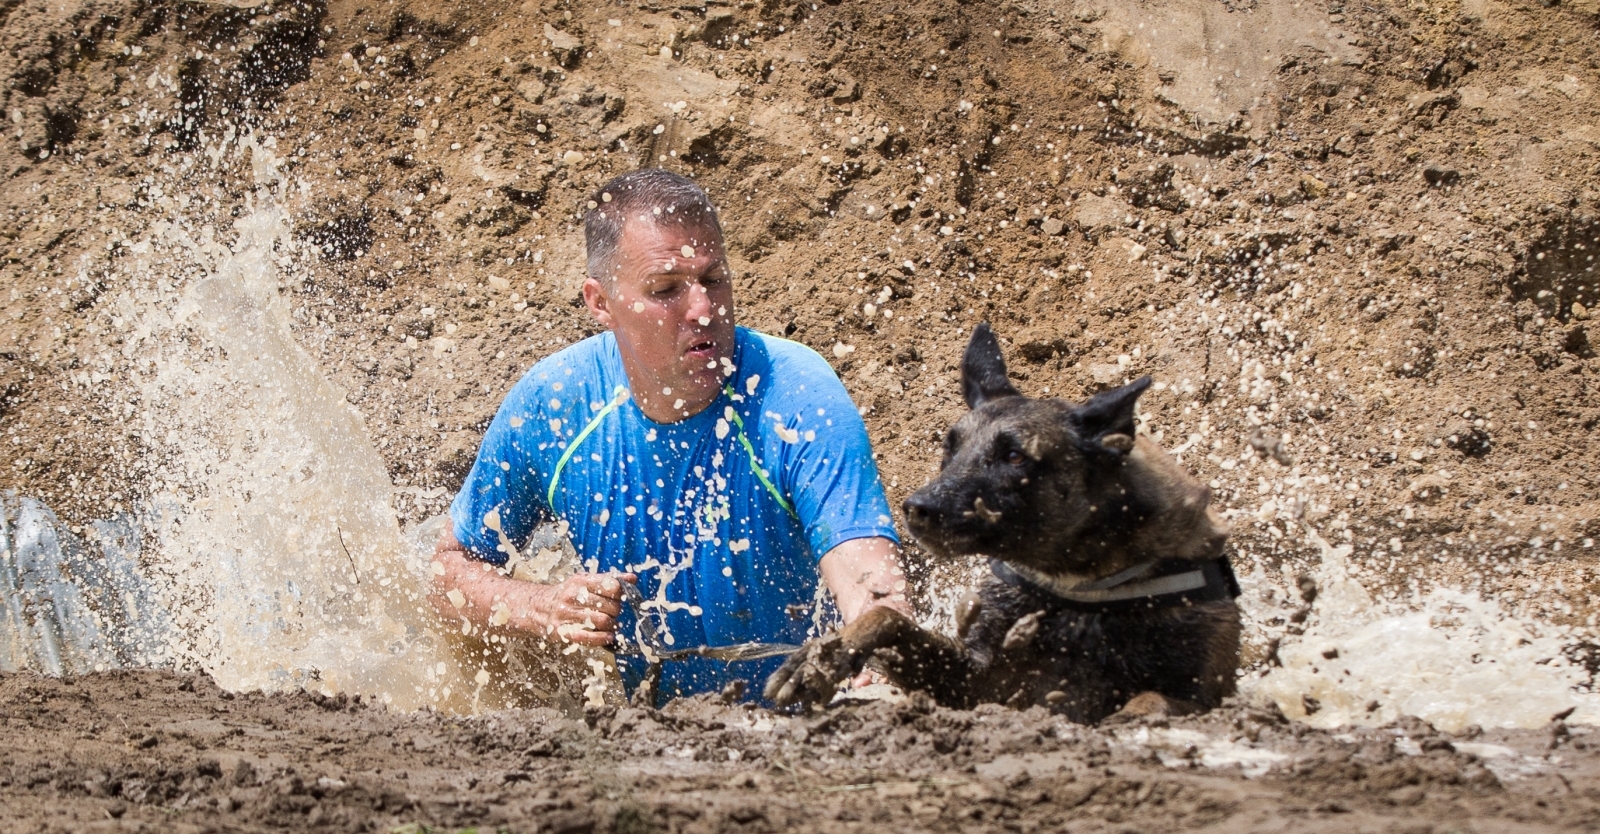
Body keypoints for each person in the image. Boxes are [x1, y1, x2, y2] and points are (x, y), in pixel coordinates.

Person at [431, 168, 909, 703]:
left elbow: (870, 582)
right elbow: (447, 574)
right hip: (646, 731)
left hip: (800, 721)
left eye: (713, 279)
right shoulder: (556, 404)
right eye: (666, 289)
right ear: (601, 302)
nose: (702, 309)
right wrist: (540, 607)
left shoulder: (795, 396)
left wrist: (879, 659)